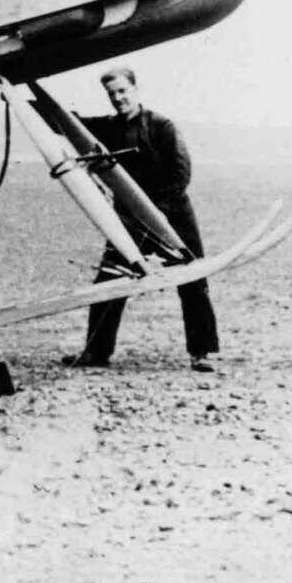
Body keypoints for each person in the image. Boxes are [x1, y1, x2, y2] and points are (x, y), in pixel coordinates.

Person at [64, 67, 220, 372]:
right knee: (109, 280)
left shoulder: (162, 125)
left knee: (192, 280)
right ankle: (96, 352)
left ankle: (201, 353)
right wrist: (26, 94)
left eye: (122, 91)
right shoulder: (109, 127)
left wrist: (154, 211)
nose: (118, 98)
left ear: (135, 89)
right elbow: (69, 122)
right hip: (130, 220)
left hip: (172, 216)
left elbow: (180, 174)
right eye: (112, 94)